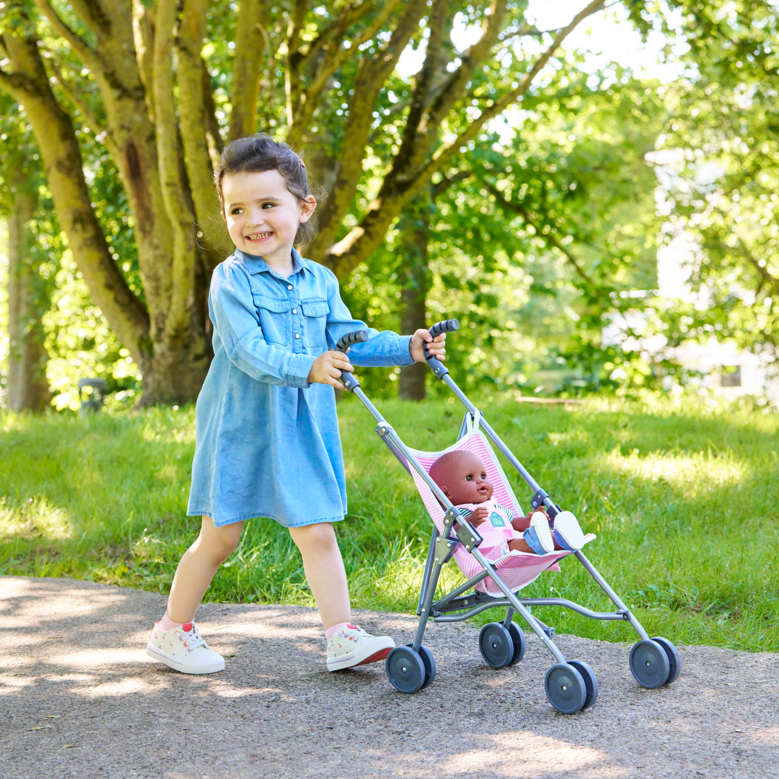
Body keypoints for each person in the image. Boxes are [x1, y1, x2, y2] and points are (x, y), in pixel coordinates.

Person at [145, 134, 447, 675]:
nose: (252, 220)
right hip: (240, 425)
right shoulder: (230, 278)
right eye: (237, 209)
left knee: (316, 528)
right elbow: (243, 349)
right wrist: (306, 366)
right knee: (220, 536)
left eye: (267, 205)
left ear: (302, 208)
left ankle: (341, 636)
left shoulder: (320, 280)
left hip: (301, 424)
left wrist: (408, 347)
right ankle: (171, 631)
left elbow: (349, 337)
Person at [428, 450, 586, 561]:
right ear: (447, 494)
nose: (481, 481)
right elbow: (455, 534)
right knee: (516, 545)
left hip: (513, 540)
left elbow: (513, 523)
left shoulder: (494, 505)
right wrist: (471, 521)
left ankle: (562, 539)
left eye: (483, 475)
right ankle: (538, 540)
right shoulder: (460, 513)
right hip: (494, 555)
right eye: (470, 477)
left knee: (524, 540)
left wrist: (530, 521)